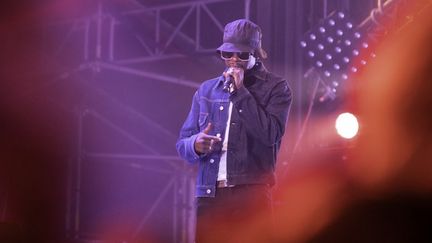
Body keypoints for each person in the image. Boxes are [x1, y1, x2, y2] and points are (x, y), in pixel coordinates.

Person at [176, 19, 292, 243]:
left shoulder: (276, 88)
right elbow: (182, 143)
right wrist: (195, 144)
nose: (234, 61)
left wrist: (240, 93)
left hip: (250, 194)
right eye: (228, 54)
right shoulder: (207, 90)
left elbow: (270, 134)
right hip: (210, 194)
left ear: (255, 55)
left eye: (242, 55)